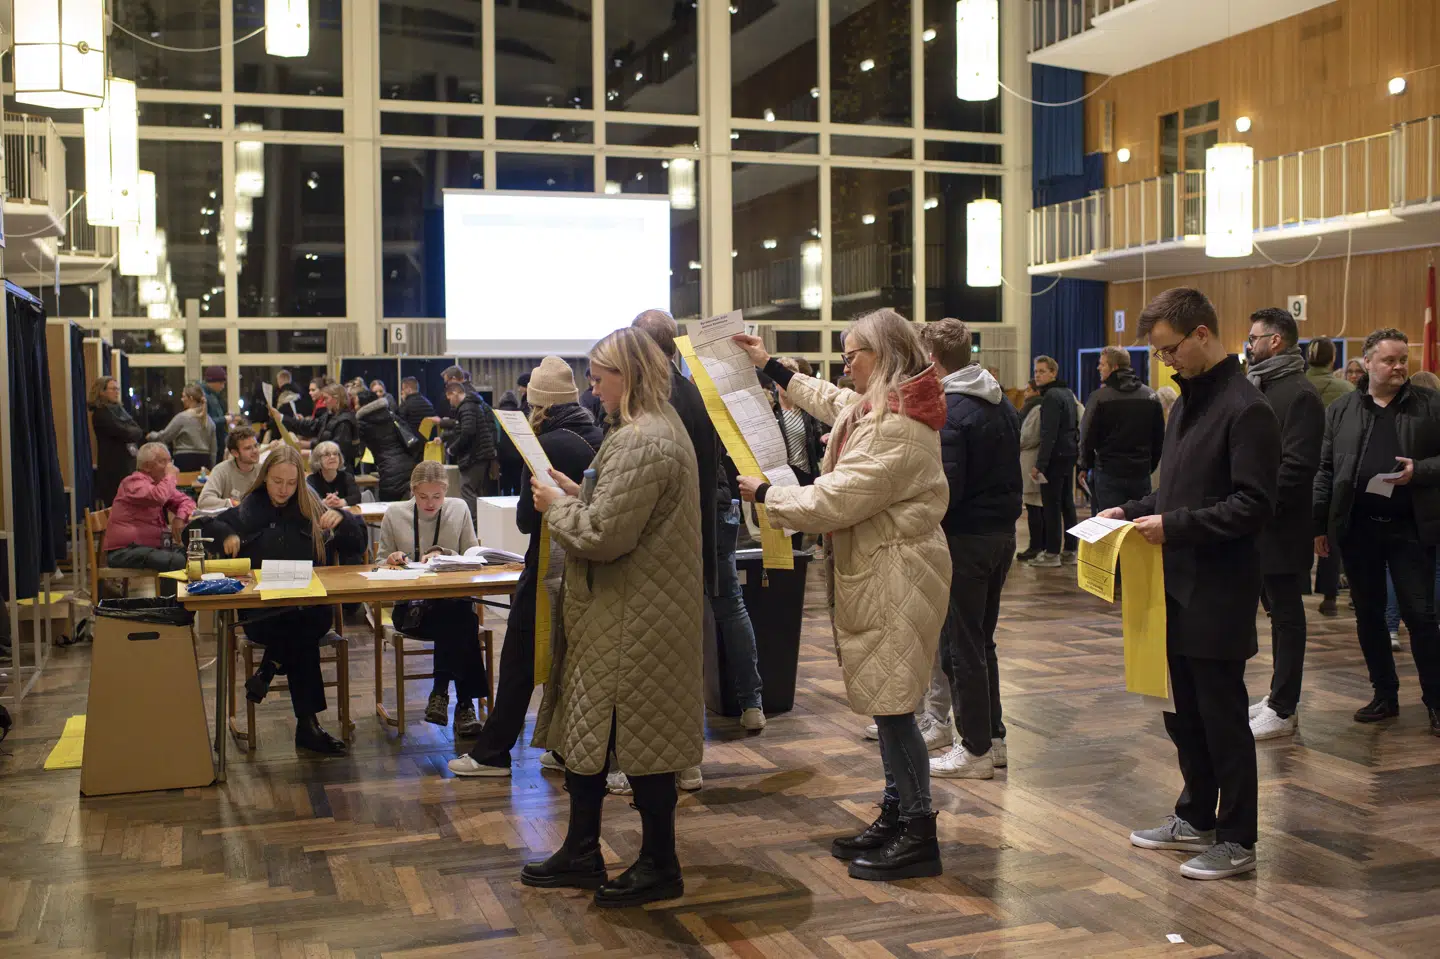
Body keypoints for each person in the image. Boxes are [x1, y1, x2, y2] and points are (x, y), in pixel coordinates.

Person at [733, 308, 951, 882]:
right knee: (887, 701)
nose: (846, 364)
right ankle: (896, 813)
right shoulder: (884, 405)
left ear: (886, 356)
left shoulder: (895, 425)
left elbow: (834, 500)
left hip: (896, 574)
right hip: (884, 569)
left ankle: (919, 832)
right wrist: (772, 366)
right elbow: (833, 401)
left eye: (854, 353)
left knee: (896, 708)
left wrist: (766, 497)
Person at [518, 327, 703, 908]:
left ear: (632, 375)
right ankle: (582, 849)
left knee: (638, 741)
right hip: (629, 609)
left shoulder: (644, 438)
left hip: (633, 615)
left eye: (600, 378)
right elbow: (616, 510)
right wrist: (579, 491)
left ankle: (659, 864)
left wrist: (560, 506)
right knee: (596, 734)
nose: (593, 390)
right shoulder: (646, 431)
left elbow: (603, 535)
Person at [1098, 288, 1279, 881]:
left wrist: (1172, 525)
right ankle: (1196, 815)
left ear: (1203, 334)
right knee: (1184, 716)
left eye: (1170, 349)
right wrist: (1130, 509)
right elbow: (1176, 492)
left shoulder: (1245, 408)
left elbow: (1252, 505)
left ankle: (1238, 838)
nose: (1165, 361)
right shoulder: (1183, 405)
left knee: (1222, 718)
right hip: (1172, 588)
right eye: (1157, 353)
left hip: (1218, 591)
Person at [450, 357, 603, 777]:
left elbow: (525, 519)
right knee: (570, 661)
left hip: (547, 566)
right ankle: (568, 748)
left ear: (537, 404)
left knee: (518, 657)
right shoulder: (598, 432)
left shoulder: (544, 445)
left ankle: (493, 753)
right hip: (589, 566)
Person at [1313, 327, 1440, 736]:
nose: (1399, 366)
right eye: (1390, 360)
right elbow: (1326, 470)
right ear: (1367, 363)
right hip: (1359, 529)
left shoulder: (1431, 405)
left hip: (1411, 530)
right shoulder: (1342, 410)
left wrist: (1418, 471)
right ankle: (1384, 695)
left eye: (1403, 358)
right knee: (1367, 617)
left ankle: (1436, 702)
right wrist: (1319, 525)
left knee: (1421, 617)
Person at [207, 445, 365, 755]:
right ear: (265, 478)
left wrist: (343, 519)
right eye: (277, 482)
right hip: (264, 613)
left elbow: (356, 542)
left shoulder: (310, 505)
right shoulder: (250, 507)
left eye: (292, 483)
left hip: (309, 608)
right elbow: (200, 528)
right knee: (299, 629)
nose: (284, 490)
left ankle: (269, 669)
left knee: (302, 618)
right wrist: (225, 534)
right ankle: (308, 726)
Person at [917, 320, 1021, 781]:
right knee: (981, 642)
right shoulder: (1000, 402)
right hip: (1000, 536)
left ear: (934, 360)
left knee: (960, 647)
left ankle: (974, 748)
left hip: (966, 541)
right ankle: (993, 738)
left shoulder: (953, 411)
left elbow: (946, 490)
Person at [631, 309, 732, 771]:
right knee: (686, 657)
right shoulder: (695, 394)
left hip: (657, 547)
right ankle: (686, 760)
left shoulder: (653, 402)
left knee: (652, 664)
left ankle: (655, 763)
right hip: (694, 542)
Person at [1243, 308, 1325, 742]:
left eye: (1254, 337)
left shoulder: (1300, 395)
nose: (1249, 344)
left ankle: (1284, 706)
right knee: (1274, 614)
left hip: (1281, 525)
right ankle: (1276, 696)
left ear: (1275, 341)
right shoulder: (1260, 387)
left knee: (1288, 617)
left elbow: (1296, 468)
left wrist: (1254, 504)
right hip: (1256, 525)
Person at [377, 460, 489, 737]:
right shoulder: (394, 513)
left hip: (451, 605)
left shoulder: (459, 509)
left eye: (437, 496)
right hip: (412, 612)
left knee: (456, 614)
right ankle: (463, 705)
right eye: (423, 496)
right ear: (413, 491)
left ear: (446, 491)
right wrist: (392, 560)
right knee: (463, 620)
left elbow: (475, 558)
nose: (430, 503)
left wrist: (447, 554)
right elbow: (378, 564)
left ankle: (442, 695)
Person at [1078, 347, 1164, 513]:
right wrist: (1147, 466)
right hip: (1141, 474)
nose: (1098, 368)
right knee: (1139, 526)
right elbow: (1159, 439)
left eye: (1102, 364)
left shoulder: (1099, 398)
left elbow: (1087, 436)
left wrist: (1084, 465)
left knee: (1109, 527)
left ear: (1114, 367)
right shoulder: (1150, 396)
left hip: (1108, 474)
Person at [1306, 338, 1356, 617]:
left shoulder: (1297, 385)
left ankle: (1293, 586)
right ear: (1332, 359)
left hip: (1297, 467)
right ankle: (1329, 596)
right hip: (1332, 468)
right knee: (1330, 530)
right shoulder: (1346, 389)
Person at [102, 442, 195, 572]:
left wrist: (179, 518)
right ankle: (168, 593)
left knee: (195, 554)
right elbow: (158, 497)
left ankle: (190, 591)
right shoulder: (132, 482)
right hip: (125, 550)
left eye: (170, 462)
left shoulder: (160, 484)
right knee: (176, 561)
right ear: (146, 466)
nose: (169, 467)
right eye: (163, 462)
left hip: (152, 546)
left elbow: (187, 501)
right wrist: (170, 476)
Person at [1026, 355, 1079, 568]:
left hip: (1055, 459)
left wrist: (1040, 464)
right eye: (1036, 371)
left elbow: (1049, 434)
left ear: (1053, 373)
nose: (1037, 375)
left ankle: (1052, 553)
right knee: (1067, 504)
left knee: (1051, 506)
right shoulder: (1067, 393)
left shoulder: (1050, 397)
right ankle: (1070, 550)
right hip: (1068, 455)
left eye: (1041, 371)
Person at [439, 369, 500, 517]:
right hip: (481, 455)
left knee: (468, 491)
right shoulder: (473, 403)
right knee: (477, 492)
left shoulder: (466, 406)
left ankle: (472, 527)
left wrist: (452, 449)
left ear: (454, 393)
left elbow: (467, 432)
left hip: (474, 456)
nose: (450, 402)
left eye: (449, 398)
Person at [90, 375, 145, 507]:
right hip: (113, 469)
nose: (116, 392)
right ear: (101, 391)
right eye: (113, 389)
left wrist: (131, 431)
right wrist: (131, 431)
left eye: (118, 389)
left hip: (128, 464)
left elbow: (137, 431)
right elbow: (125, 433)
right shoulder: (101, 413)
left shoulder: (120, 410)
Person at [773, 357, 826, 484]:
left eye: (790, 381)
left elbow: (817, 451)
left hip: (806, 476)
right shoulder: (770, 410)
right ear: (775, 382)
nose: (786, 385)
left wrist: (823, 440)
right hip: (779, 478)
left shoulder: (809, 411)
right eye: (782, 380)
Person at [355, 389, 413, 502]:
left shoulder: (362, 424)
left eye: (356, 403)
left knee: (387, 511)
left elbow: (358, 451)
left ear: (363, 404)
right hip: (409, 466)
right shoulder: (390, 414)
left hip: (388, 472)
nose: (355, 406)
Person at [147, 384, 217, 472]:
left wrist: (151, 436)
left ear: (191, 398)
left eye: (183, 396)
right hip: (204, 463)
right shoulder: (209, 421)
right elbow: (213, 450)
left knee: (183, 485)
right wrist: (211, 468)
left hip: (184, 460)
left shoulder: (182, 418)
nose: (182, 399)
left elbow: (165, 436)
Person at [198, 426, 266, 510]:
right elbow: (204, 501)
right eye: (248, 448)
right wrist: (232, 503)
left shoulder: (263, 470)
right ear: (235, 453)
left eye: (256, 446)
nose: (255, 451)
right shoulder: (221, 470)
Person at [1016, 382, 1045, 561]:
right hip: (1030, 459)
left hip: (1031, 460)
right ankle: (1037, 545)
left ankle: (1036, 546)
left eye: (1028, 390)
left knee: (1035, 507)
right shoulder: (1032, 407)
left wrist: (1015, 440)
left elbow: (1028, 436)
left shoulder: (1036, 408)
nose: (1025, 393)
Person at [307, 440, 361, 508]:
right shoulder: (311, 480)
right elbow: (309, 500)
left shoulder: (347, 477)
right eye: (327, 454)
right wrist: (325, 502)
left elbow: (357, 496)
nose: (332, 457)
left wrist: (341, 502)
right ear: (318, 460)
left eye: (335, 454)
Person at [201, 365, 229, 452]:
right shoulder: (203, 396)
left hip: (218, 440)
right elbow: (204, 422)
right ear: (212, 382)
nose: (223, 386)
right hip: (210, 443)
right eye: (221, 383)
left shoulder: (213, 395)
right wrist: (224, 419)